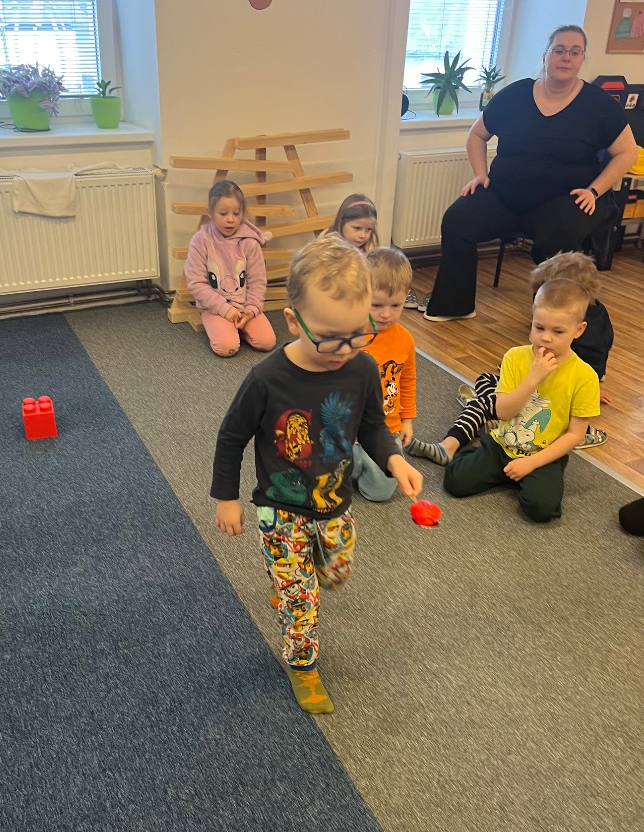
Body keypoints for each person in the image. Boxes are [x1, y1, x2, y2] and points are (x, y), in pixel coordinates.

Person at [211, 233, 422, 714]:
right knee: (301, 599)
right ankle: (302, 662)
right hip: (280, 507)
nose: (343, 349)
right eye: (329, 337)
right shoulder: (267, 378)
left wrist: (395, 460)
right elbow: (231, 436)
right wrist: (227, 497)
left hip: (334, 503)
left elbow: (372, 425)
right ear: (293, 320)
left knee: (336, 572)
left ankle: (292, 581)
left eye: (357, 334)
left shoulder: (361, 368)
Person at [420, 24, 637, 322]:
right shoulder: (516, 94)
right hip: (505, 196)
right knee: (458, 220)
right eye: (559, 50)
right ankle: (454, 305)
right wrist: (480, 173)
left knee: (559, 237)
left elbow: (627, 152)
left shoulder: (598, 105)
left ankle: (552, 319)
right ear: (546, 55)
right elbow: (477, 135)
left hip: (566, 200)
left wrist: (594, 190)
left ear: (583, 58)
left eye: (575, 52)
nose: (566, 57)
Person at [407, 251, 613, 466]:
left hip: (552, 408)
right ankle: (492, 418)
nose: (545, 335)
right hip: (528, 396)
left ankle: (450, 444)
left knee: (484, 403)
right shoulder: (552, 332)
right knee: (486, 379)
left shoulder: (589, 336)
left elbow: (587, 372)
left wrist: (591, 390)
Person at [442, 278, 599, 522]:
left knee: (541, 509)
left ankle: (519, 473)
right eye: (539, 327)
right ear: (532, 320)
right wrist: (533, 378)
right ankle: (482, 446)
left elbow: (575, 435)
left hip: (543, 455)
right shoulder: (514, 357)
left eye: (558, 331)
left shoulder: (585, 377)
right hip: (503, 443)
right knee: (455, 481)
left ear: (578, 330)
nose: (546, 338)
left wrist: (531, 463)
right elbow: (504, 412)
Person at [352, 246, 417, 501]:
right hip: (347, 428)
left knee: (381, 493)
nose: (386, 314)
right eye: (377, 305)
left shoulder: (405, 340)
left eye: (396, 305)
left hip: (386, 427)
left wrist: (407, 420)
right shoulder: (348, 335)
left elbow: (407, 381)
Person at [184, 179, 277, 356]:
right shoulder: (201, 240)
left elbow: (257, 281)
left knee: (267, 342)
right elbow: (196, 283)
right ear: (210, 213)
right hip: (215, 307)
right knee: (227, 348)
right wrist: (224, 309)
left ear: (243, 213)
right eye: (223, 213)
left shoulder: (250, 242)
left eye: (236, 213)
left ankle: (238, 328)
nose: (230, 219)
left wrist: (251, 310)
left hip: (245, 306)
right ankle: (227, 329)